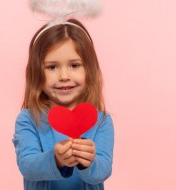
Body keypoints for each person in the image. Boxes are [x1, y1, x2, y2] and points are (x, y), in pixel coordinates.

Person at [12, 18, 114, 190]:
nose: (64, 76)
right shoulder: (28, 119)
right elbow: (27, 166)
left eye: (74, 65)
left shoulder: (102, 121)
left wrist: (89, 163)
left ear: (89, 69)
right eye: (52, 67)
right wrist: (56, 159)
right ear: (37, 72)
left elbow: (103, 170)